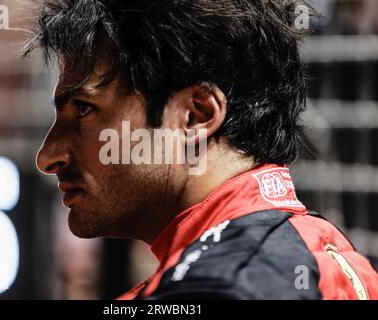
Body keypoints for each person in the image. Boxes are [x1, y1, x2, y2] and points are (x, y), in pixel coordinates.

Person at [25, 0, 378, 299]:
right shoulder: (310, 247)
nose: (48, 156)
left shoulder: (221, 283)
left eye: (83, 109)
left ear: (197, 115)